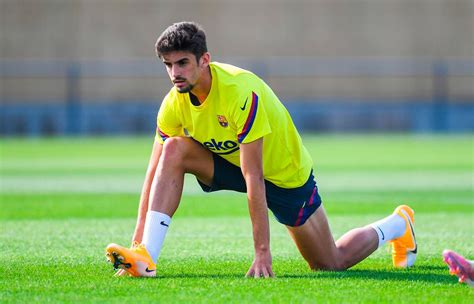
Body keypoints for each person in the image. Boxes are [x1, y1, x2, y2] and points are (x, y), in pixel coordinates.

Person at [105, 21, 417, 278]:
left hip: (284, 176)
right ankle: (148, 258)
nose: (175, 73)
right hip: (232, 164)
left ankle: (398, 224)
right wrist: (137, 245)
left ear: (204, 60)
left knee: (330, 262)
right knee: (173, 149)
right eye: (169, 65)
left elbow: (254, 176)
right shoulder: (173, 103)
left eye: (183, 62)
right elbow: (154, 171)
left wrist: (262, 253)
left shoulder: (241, 93)